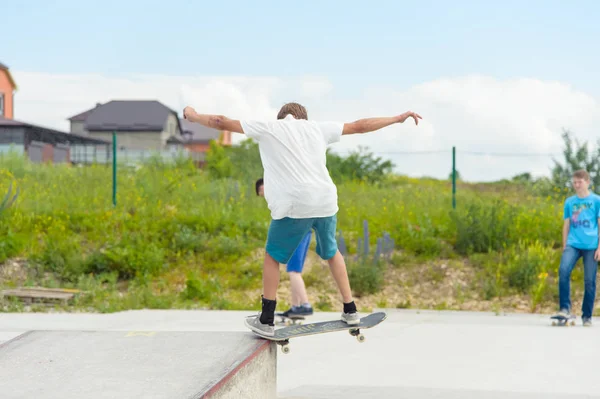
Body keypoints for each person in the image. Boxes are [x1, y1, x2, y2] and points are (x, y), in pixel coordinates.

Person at [183, 102, 421, 336]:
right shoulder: (318, 128)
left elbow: (220, 122)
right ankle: (351, 310)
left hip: (294, 205)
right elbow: (359, 125)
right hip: (325, 202)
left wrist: (193, 115)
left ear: (281, 117)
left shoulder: (269, 128)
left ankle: (266, 318)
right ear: (303, 118)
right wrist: (396, 118)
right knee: (332, 252)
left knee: (272, 256)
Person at [255, 177, 314, 318]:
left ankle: (305, 305)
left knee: (293, 271)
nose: (263, 195)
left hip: (297, 232)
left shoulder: (278, 192)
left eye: (262, 191)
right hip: (304, 229)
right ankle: (296, 306)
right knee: (294, 270)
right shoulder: (281, 193)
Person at [555, 169, 600, 326]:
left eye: (579, 182)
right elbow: (566, 225)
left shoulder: (596, 200)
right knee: (563, 270)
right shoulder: (570, 202)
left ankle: (586, 316)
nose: (576, 185)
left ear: (587, 182)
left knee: (589, 281)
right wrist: (565, 245)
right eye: (574, 182)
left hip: (591, 246)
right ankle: (565, 308)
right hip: (573, 244)